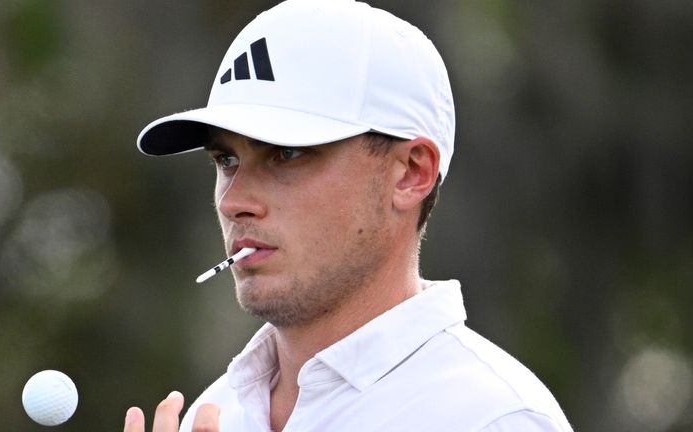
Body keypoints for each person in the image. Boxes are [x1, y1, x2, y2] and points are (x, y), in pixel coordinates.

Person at [125, 0, 574, 431]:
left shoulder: (492, 419)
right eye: (226, 160)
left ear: (411, 173)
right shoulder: (214, 413)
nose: (232, 201)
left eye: (287, 153)